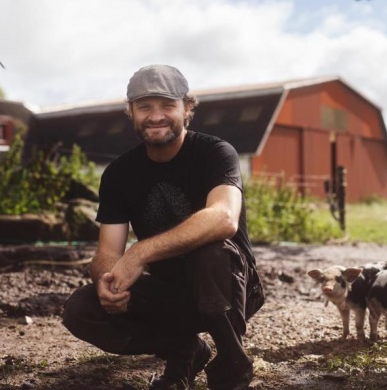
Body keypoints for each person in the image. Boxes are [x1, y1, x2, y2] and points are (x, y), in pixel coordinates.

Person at [62, 64, 264, 390]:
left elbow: (224, 217)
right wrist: (107, 280)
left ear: (187, 108)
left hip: (232, 289)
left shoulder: (215, 152)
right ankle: (185, 350)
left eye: (167, 106)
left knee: (210, 253)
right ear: (130, 112)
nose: (156, 116)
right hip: (170, 293)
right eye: (145, 107)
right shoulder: (118, 173)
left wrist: (140, 253)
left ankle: (231, 364)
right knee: (81, 309)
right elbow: (107, 253)